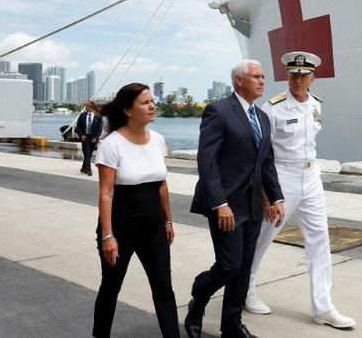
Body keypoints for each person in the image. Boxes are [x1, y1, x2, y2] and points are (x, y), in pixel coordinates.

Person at [244, 51, 356, 329]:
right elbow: (261, 155)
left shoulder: (317, 105)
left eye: (303, 75)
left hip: (311, 175)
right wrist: (267, 195)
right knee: (263, 235)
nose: (298, 79)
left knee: (320, 240)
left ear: (312, 78)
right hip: (281, 175)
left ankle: (324, 307)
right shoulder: (274, 107)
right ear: (288, 76)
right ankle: (245, 289)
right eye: (293, 74)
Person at [184, 59, 286, 338]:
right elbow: (207, 162)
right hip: (225, 205)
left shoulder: (262, 117)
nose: (263, 81)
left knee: (243, 268)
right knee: (229, 265)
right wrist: (220, 204)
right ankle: (198, 299)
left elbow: (266, 163)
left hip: (253, 204)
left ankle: (232, 326)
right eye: (256, 76)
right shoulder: (218, 111)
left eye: (263, 76)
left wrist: (276, 198)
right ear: (239, 81)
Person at [92, 83, 180, 338]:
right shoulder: (112, 144)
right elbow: (106, 193)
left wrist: (169, 222)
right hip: (120, 230)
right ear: (128, 110)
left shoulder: (158, 140)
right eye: (144, 102)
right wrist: (108, 236)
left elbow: (161, 185)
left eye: (152, 101)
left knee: (164, 287)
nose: (152, 105)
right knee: (111, 286)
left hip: (154, 228)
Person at [75, 102, 103, 176]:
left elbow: (100, 129)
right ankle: (88, 169)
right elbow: (78, 127)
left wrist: (96, 138)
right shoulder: (82, 115)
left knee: (89, 154)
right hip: (85, 137)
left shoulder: (98, 116)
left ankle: (83, 167)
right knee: (87, 152)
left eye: (89, 106)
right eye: (87, 106)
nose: (87, 107)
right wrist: (81, 135)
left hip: (93, 138)